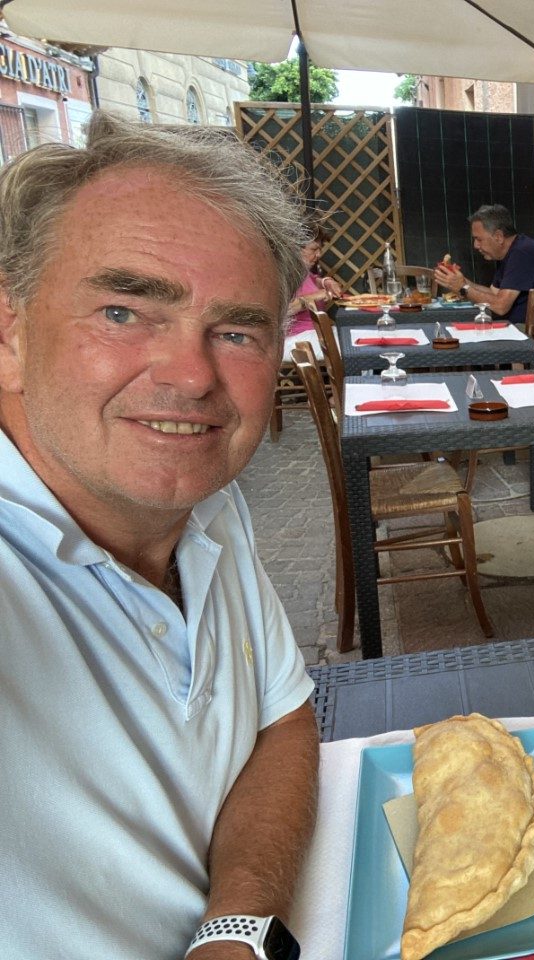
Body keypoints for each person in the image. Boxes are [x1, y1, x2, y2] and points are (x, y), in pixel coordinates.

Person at [0, 112, 318, 959]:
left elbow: (283, 720)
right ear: (10, 333)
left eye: (238, 331)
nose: (192, 376)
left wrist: (234, 930)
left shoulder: (209, 505)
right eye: (124, 310)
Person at [432, 203, 534, 348]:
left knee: (478, 341)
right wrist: (461, 281)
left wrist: (463, 288)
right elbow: (493, 294)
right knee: (467, 333)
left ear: (499, 237)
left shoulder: (522, 253)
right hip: (524, 327)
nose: (475, 245)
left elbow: (500, 306)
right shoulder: (510, 253)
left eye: (479, 239)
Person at [283, 221, 341, 359]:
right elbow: (284, 310)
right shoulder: (285, 273)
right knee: (350, 344)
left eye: (320, 249)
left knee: (354, 335)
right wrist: (316, 296)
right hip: (295, 340)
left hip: (313, 334)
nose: (319, 254)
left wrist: (326, 282)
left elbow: (311, 280)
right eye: (314, 249)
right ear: (296, 248)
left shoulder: (301, 271)